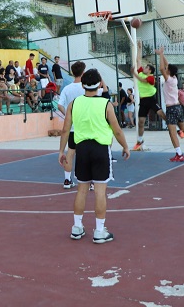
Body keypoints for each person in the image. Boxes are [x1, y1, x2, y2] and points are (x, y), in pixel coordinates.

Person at [58, 68, 129, 244]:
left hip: (81, 149)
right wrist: (126, 146)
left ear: (82, 85)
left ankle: (77, 227)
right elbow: (117, 130)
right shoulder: (106, 104)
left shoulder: (74, 104)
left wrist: (62, 151)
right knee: (99, 190)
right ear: (99, 85)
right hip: (100, 149)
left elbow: (66, 129)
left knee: (82, 189)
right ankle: (99, 230)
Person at [156, 47, 184, 162]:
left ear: (169, 71)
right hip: (178, 107)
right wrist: (162, 54)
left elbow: (161, 67)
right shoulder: (174, 78)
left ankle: (179, 154)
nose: (165, 69)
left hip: (172, 108)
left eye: (167, 69)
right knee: (183, 127)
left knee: (172, 132)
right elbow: (167, 65)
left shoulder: (168, 79)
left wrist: (160, 55)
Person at [130, 41, 167, 151]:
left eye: (146, 67)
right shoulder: (141, 72)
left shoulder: (151, 77)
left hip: (151, 99)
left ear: (149, 70)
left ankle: (176, 128)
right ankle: (140, 141)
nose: (144, 68)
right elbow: (138, 60)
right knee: (141, 122)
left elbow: (141, 80)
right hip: (143, 101)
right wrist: (139, 47)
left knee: (161, 114)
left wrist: (134, 73)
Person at [57, 61, 86, 189]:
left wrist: (68, 115)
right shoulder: (86, 87)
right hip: (86, 127)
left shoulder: (67, 88)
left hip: (73, 128)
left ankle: (67, 180)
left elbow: (59, 105)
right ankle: (89, 181)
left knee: (70, 153)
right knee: (86, 154)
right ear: (83, 72)